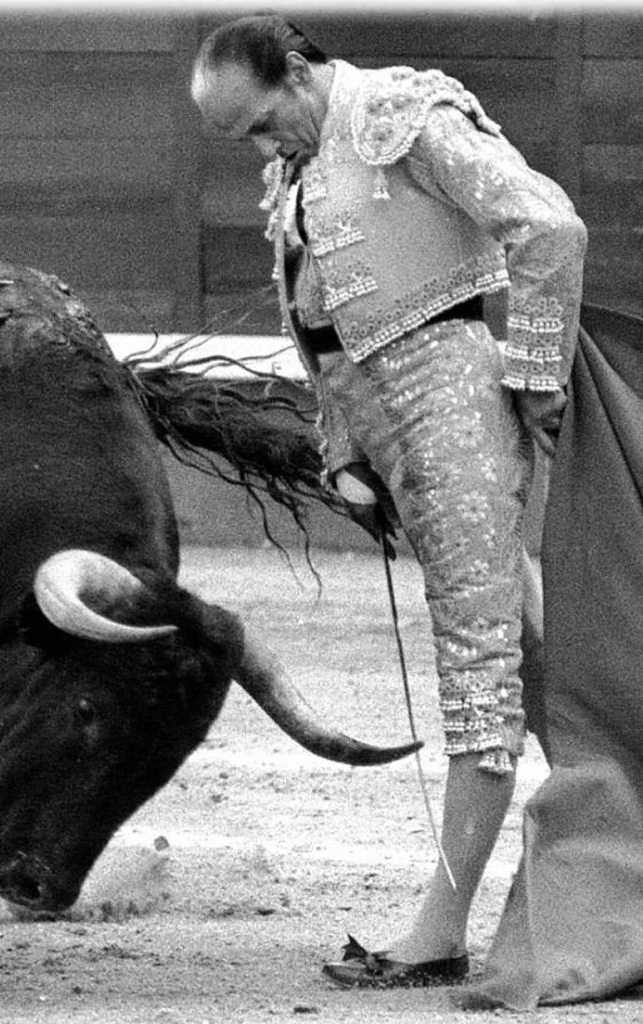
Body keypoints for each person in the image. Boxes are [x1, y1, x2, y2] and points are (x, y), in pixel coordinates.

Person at [191, 14, 586, 989]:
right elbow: (319, 340)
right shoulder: (293, 178)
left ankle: (440, 932)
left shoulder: (400, 113)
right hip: (399, 441)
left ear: (294, 70)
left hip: (455, 413)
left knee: (479, 671)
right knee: (521, 650)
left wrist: (536, 373)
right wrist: (341, 454)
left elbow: (548, 224)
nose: (259, 147)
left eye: (257, 122)